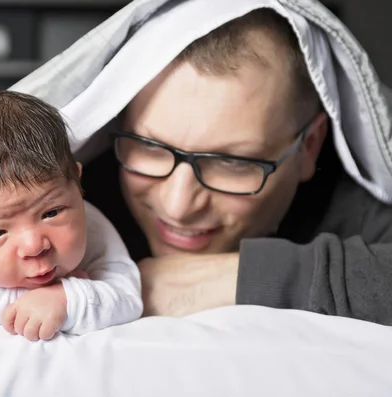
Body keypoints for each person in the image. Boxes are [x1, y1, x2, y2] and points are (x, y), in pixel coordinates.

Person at [82, 8, 392, 324]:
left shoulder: (362, 209)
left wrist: (235, 277)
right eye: (150, 146)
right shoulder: (72, 195)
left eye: (231, 162)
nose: (178, 207)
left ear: (310, 147)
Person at [0, 91, 143, 341]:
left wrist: (65, 299)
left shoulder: (92, 224)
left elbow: (128, 296)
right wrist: (47, 294)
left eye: (51, 213)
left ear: (76, 183)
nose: (34, 246)